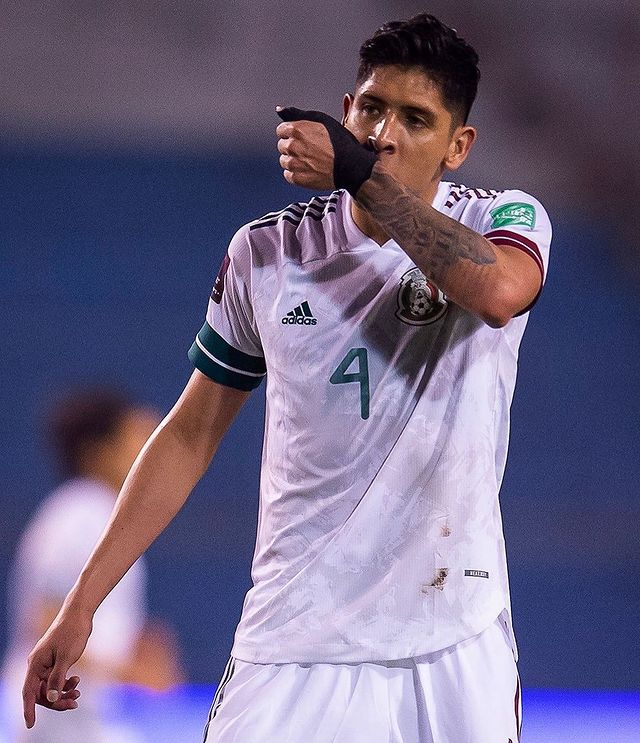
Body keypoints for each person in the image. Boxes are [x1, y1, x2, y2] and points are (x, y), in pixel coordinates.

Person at [22, 14, 551, 742]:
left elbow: (498, 293)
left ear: (459, 146)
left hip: (451, 634)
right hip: (294, 640)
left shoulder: (505, 220)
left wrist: (360, 174)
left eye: (416, 119)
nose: (384, 132)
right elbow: (189, 434)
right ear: (344, 111)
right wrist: (82, 600)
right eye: (371, 108)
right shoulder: (268, 252)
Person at [4, 388, 183, 743]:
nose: (147, 452)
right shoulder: (82, 512)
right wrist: (132, 670)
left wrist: (132, 655)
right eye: (136, 439)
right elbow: (43, 624)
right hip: (48, 725)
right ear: (99, 453)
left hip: (74, 722)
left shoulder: (96, 513)